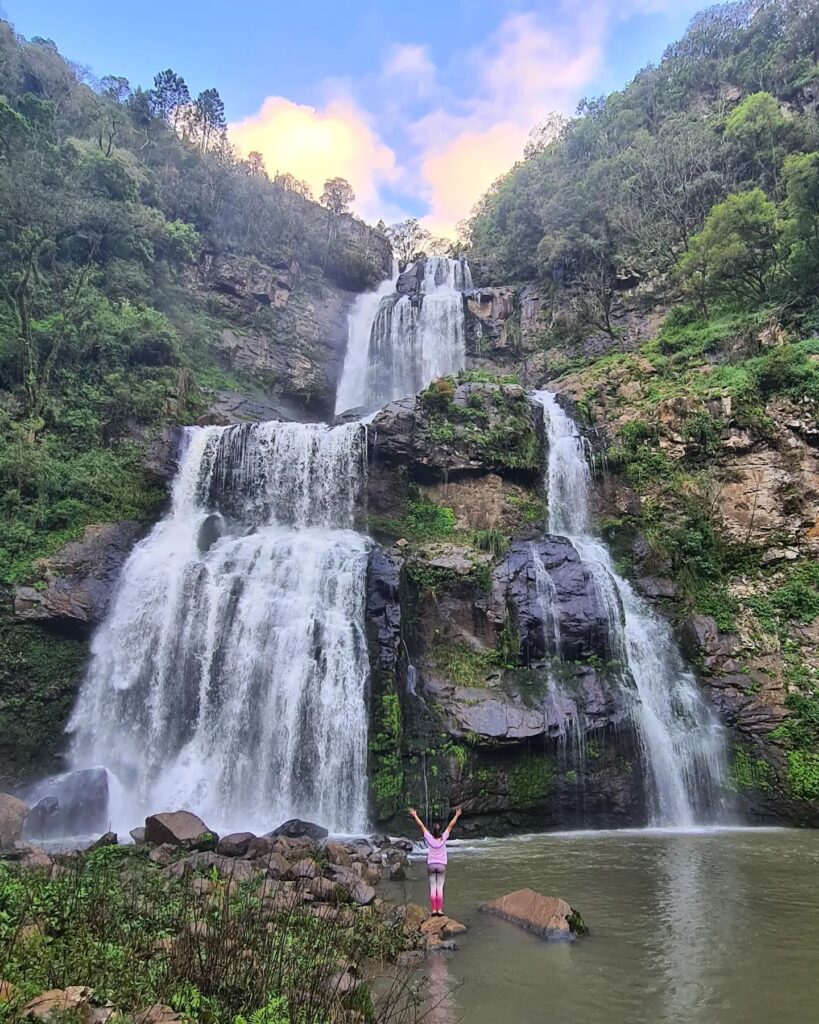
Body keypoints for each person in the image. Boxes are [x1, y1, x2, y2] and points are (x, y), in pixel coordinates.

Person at [409, 805, 462, 916]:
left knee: (433, 887)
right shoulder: (444, 837)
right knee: (440, 887)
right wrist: (457, 815)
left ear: (433, 832)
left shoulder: (429, 838)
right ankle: (440, 910)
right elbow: (451, 825)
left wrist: (414, 815)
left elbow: (421, 825)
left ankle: (433, 910)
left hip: (431, 865)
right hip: (441, 865)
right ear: (440, 832)